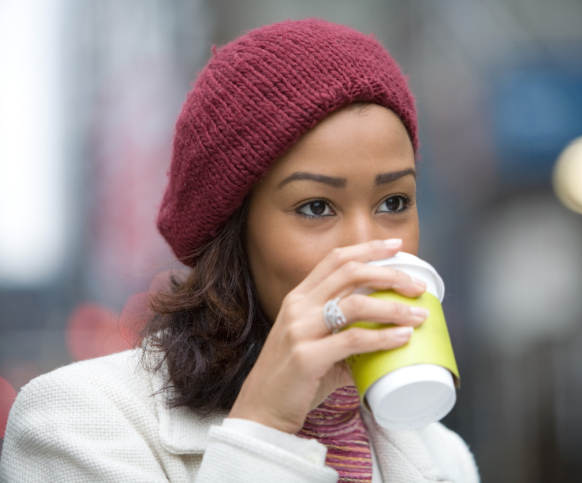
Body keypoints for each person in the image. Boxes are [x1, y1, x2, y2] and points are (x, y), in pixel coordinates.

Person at [0, 19, 479, 483]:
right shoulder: (76, 420)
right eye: (316, 207)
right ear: (233, 231)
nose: (367, 247)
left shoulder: (442, 455)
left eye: (394, 202)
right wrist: (263, 425)